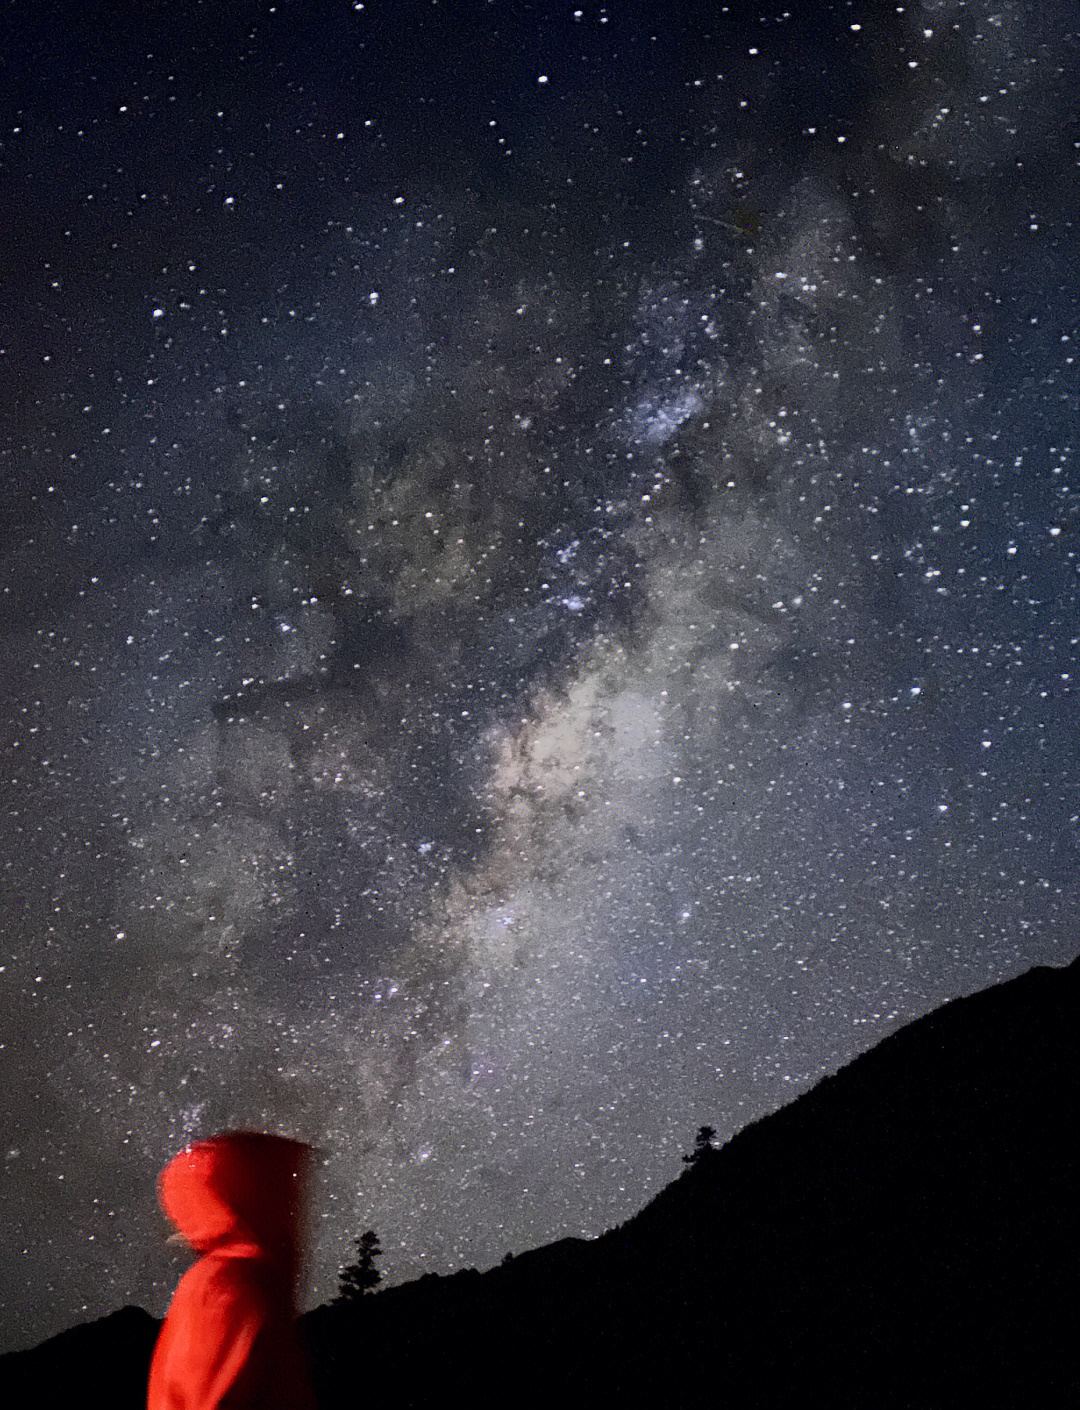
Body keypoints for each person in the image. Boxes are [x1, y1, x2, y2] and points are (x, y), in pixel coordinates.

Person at [147, 1131, 318, 1410]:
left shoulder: (237, 1280)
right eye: (282, 1189)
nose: (294, 1205)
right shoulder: (230, 1286)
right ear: (252, 1196)